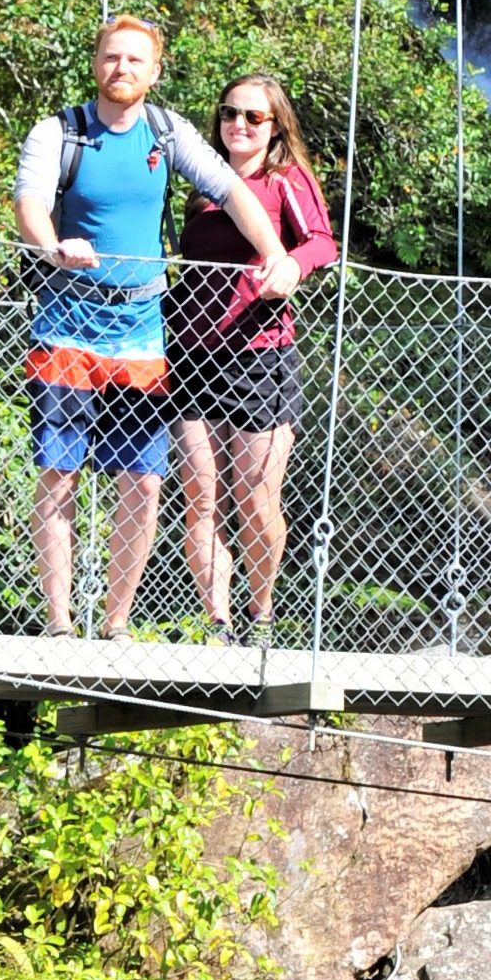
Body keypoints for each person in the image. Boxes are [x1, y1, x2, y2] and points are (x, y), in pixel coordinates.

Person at [13, 16, 296, 638]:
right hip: (67, 322)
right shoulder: (59, 133)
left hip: (140, 331)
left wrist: (275, 253)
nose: (123, 69)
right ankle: (61, 624)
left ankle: (115, 625)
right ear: (96, 63)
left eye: (136, 61)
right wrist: (52, 244)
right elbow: (29, 201)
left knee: (143, 482)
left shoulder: (167, 133)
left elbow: (232, 190)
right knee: (60, 473)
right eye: (112, 58)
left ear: (155, 71)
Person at [168, 74, 335, 644]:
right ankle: (219, 623)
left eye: (253, 116)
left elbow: (321, 242)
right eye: (229, 112)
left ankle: (261, 614)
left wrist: (290, 267)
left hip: (260, 354)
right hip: (191, 356)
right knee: (200, 492)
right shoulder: (202, 181)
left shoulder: (283, 179)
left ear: (275, 126)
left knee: (256, 496)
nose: (238, 123)